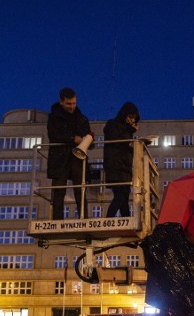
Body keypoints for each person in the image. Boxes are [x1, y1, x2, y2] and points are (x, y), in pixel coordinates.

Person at [46, 88, 92, 219]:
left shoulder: (82, 118)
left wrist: (89, 140)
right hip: (60, 158)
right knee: (59, 191)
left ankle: (84, 219)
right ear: (61, 102)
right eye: (69, 104)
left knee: (80, 190)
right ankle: (57, 220)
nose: (72, 106)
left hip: (76, 158)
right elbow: (53, 135)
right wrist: (73, 139)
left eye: (74, 103)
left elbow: (88, 134)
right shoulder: (53, 117)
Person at [103, 102, 140, 218]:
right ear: (124, 114)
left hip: (124, 167)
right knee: (121, 195)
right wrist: (130, 131)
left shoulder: (126, 129)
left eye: (134, 118)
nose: (132, 120)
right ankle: (108, 220)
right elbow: (118, 140)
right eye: (130, 116)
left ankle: (126, 219)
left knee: (124, 196)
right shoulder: (112, 124)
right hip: (116, 166)